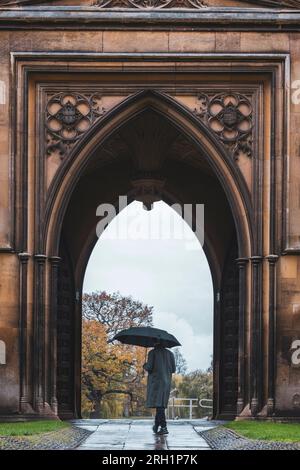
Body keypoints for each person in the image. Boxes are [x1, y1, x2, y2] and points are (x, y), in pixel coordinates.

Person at [143, 341, 176, 435]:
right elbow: (173, 369)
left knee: (159, 405)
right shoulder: (170, 353)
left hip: (156, 382)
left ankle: (164, 427)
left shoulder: (152, 353)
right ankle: (156, 425)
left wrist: (144, 365)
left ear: (155, 343)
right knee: (160, 405)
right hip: (166, 382)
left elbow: (149, 367)